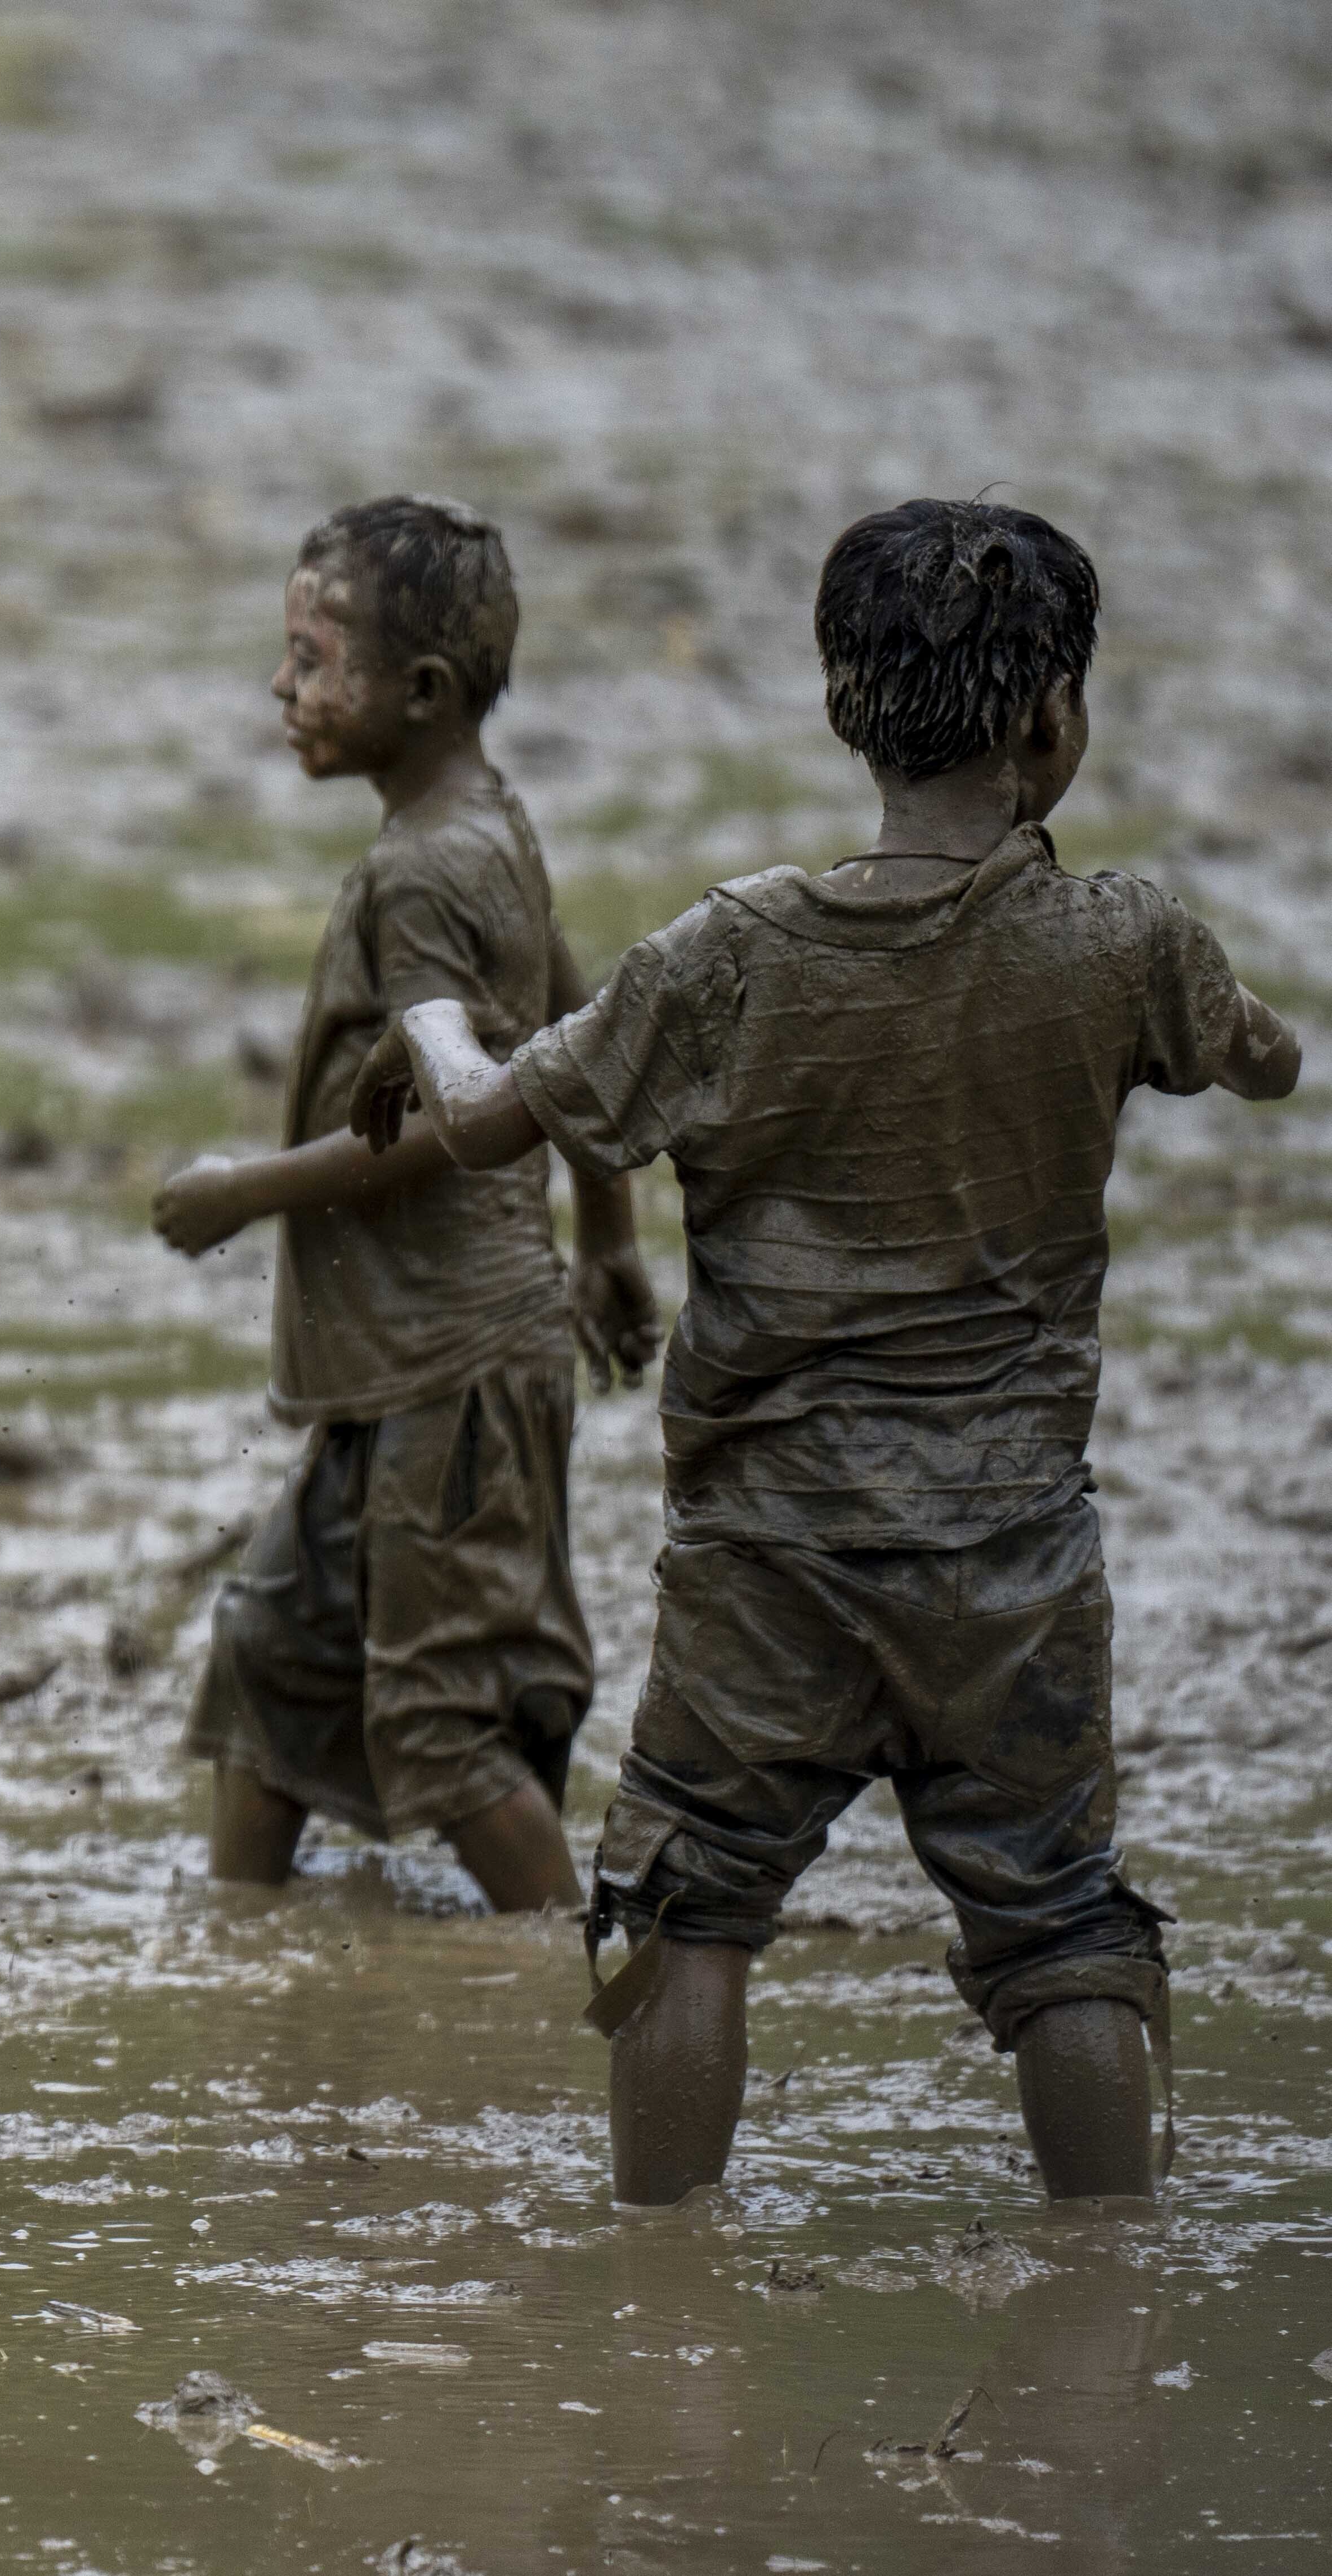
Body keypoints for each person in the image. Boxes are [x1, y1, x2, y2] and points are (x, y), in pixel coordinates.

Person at [354, 498, 1299, 2205]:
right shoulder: (1124, 939)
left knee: (682, 1905)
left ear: (837, 707)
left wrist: (420, 1014)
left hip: (764, 1557)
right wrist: (1225, 1028)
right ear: (1048, 722)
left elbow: (491, 1115)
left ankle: (663, 2293)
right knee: (1062, 1920)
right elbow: (1261, 1062)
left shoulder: (725, 957)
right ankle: (1105, 2287)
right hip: (1012, 1551)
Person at [150, 495, 660, 1914]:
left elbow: (467, 1114)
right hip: (403, 1370)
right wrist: (611, 1244)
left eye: (311, 659)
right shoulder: (492, 825)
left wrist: (246, 1189)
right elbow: (581, 1031)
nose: (280, 686)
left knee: (439, 1722)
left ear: (416, 694)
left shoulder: (421, 875)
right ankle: (244, 1952)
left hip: (447, 1370)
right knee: (270, 1657)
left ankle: (572, 1969)